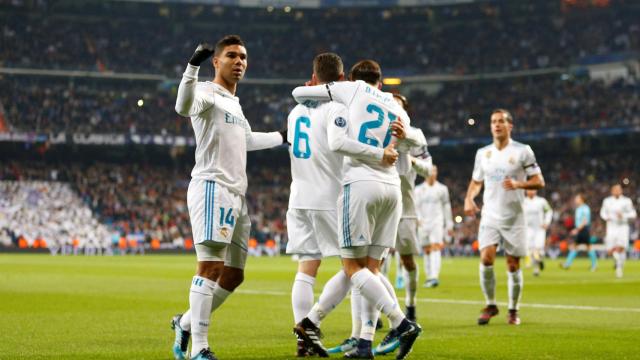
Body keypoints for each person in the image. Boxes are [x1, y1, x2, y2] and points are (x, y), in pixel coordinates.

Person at [292, 60, 422, 360]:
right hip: (392, 191)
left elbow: (300, 95)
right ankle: (362, 342)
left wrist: (321, 89)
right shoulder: (393, 103)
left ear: (348, 78)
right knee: (370, 270)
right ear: (382, 79)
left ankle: (401, 322)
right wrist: (405, 137)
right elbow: (419, 139)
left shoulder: (350, 92)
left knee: (353, 268)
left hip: (360, 184)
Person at [171, 36, 286, 360]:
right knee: (209, 266)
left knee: (234, 274)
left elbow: (246, 139)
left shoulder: (233, 103)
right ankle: (200, 349)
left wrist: (282, 137)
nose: (239, 62)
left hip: (237, 194)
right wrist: (192, 66)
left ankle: (185, 322)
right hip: (212, 188)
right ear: (216, 62)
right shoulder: (206, 92)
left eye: (244, 57)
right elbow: (182, 107)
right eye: (232, 56)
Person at [284, 52, 348, 357]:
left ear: (313, 78)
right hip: (328, 197)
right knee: (357, 267)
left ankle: (303, 339)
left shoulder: (295, 112)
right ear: (343, 78)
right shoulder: (338, 107)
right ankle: (312, 322)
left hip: (298, 198)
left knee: (306, 270)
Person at [464, 108, 545, 326]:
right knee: (486, 258)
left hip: (514, 217)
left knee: (512, 265)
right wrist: (469, 198)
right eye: (493, 121)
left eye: (501, 121)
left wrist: (519, 183)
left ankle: (513, 309)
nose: (497, 125)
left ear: (510, 126)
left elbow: (539, 181)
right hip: (490, 214)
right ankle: (490, 305)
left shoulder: (523, 151)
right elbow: (476, 181)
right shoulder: (483, 153)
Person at [414, 165, 453, 288]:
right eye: (430, 170)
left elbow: (446, 207)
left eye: (435, 170)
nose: (432, 173)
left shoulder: (442, 189)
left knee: (436, 247)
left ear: (437, 173)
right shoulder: (418, 189)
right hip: (423, 223)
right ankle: (428, 276)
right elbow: (416, 206)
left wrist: (449, 223)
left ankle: (434, 277)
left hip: (437, 222)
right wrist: (418, 219)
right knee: (426, 250)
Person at [600, 184, 637, 278]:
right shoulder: (607, 201)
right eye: (615, 189)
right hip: (611, 227)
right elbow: (603, 212)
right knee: (610, 250)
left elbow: (633, 214)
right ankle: (618, 262)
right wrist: (606, 217)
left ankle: (619, 268)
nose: (617, 191)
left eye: (618, 189)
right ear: (612, 191)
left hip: (623, 227)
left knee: (621, 248)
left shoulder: (626, 201)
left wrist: (624, 215)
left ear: (621, 191)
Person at [562, 193, 597, 271]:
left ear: (581, 199)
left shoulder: (585, 208)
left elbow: (585, 221)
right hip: (581, 229)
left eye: (577, 198)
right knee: (577, 246)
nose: (575, 200)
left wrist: (576, 230)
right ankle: (567, 264)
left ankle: (594, 265)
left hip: (584, 229)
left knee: (587, 247)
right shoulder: (578, 208)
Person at [523, 189, 553, 276]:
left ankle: (539, 260)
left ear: (536, 191)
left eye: (533, 190)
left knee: (539, 250)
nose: (531, 191)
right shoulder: (523, 201)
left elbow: (549, 211)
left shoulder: (541, 201)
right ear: (526, 191)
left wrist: (546, 222)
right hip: (528, 229)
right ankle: (536, 270)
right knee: (530, 248)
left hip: (539, 229)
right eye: (530, 190)